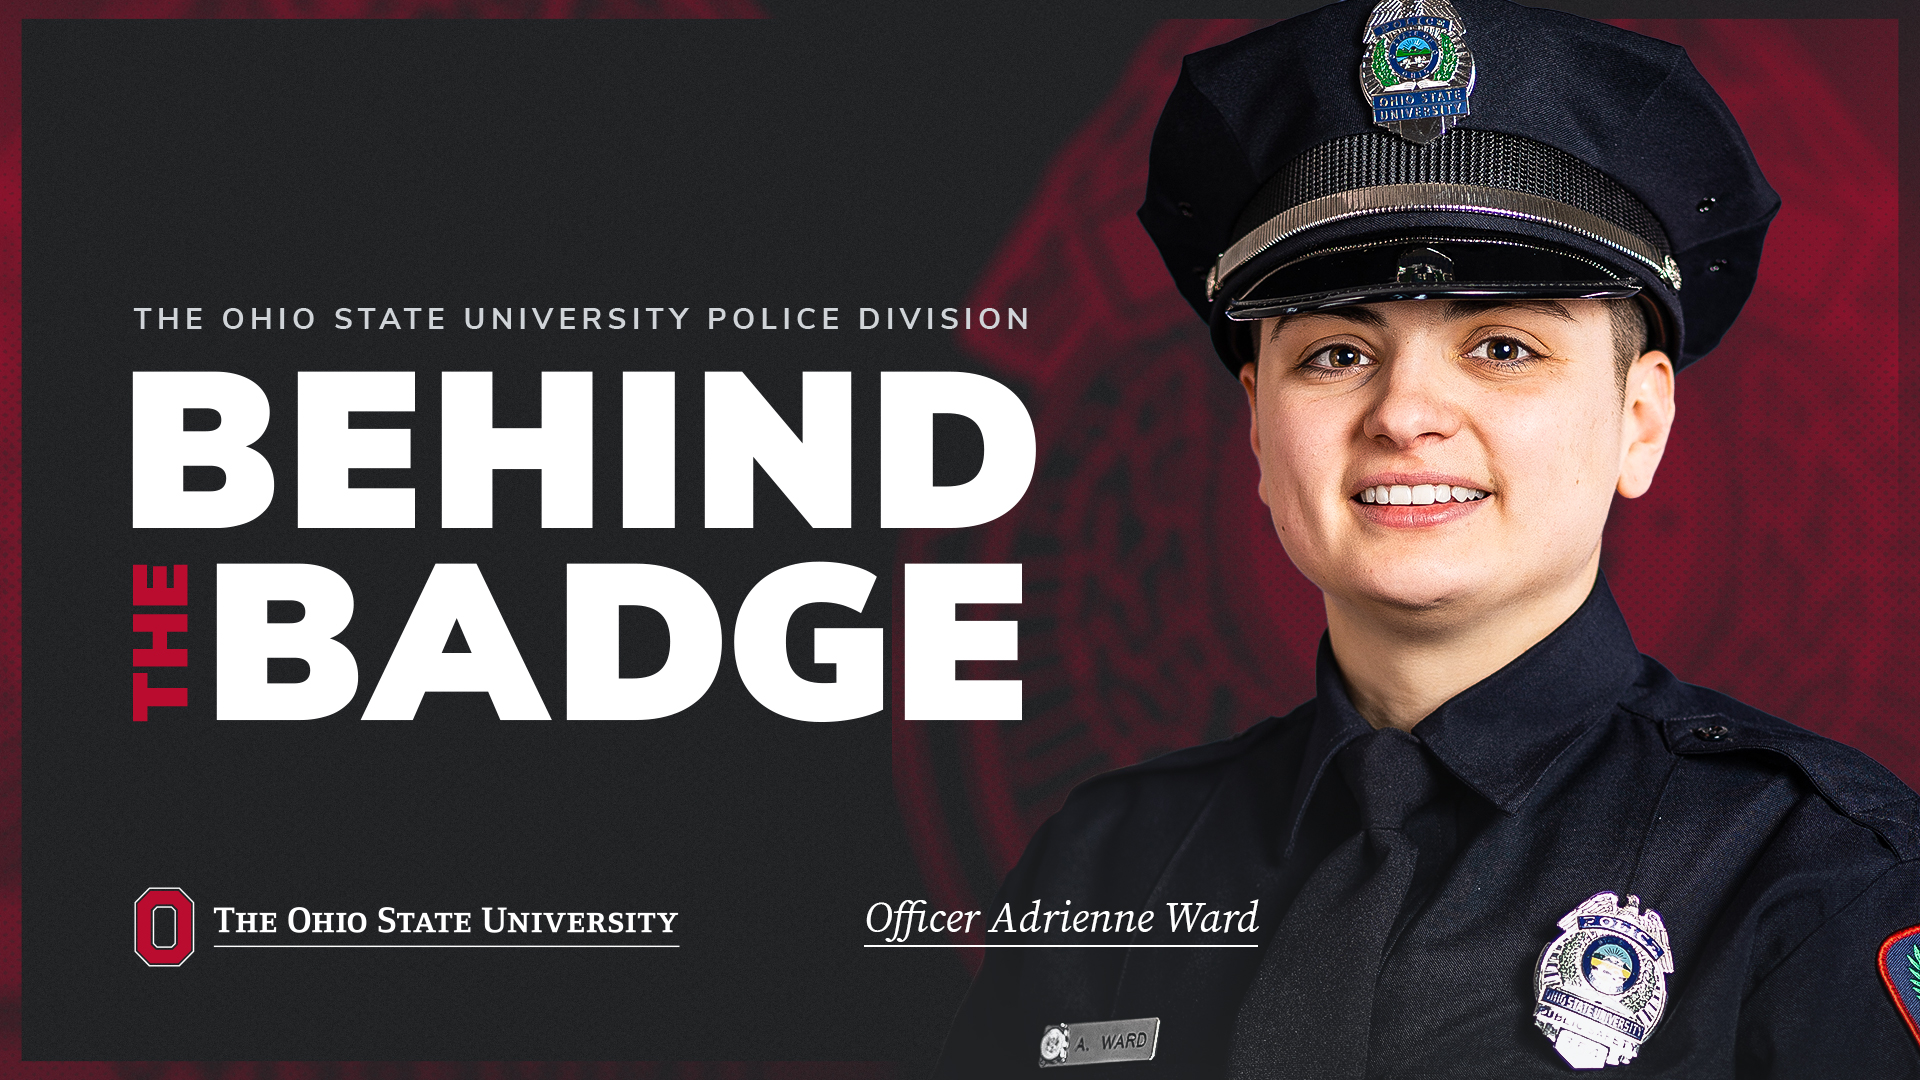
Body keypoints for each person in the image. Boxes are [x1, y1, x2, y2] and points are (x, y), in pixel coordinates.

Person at [933, 1, 1920, 1076]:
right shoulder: (1105, 865)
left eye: (1501, 346)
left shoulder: (1822, 872)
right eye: (1336, 354)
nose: (1405, 414)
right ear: (1258, 421)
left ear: (1641, 420)